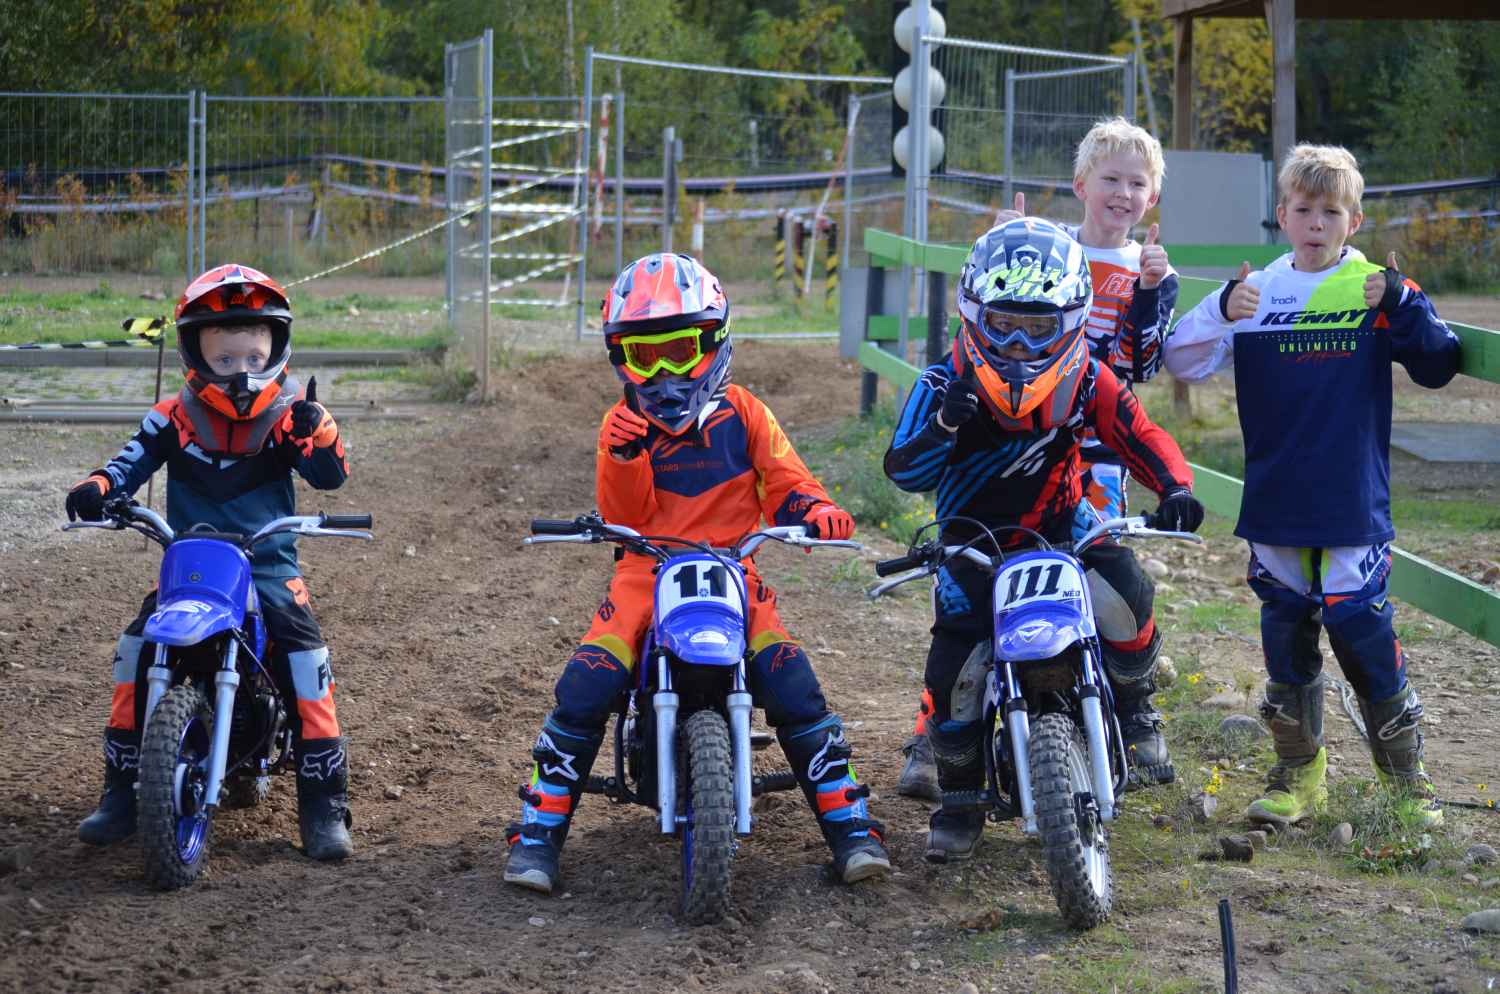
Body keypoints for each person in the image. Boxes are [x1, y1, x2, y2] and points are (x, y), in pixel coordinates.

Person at [502, 252, 890, 894]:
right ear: (619, 359)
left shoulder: (746, 414)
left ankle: (850, 828)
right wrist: (624, 456)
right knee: (584, 689)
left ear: (714, 344)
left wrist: (817, 510)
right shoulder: (620, 427)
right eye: (642, 356)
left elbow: (788, 482)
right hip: (644, 574)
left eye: (680, 350)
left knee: (794, 687)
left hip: (735, 572)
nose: (662, 374)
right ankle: (538, 834)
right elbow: (622, 515)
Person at [884, 218, 1203, 862]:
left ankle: (1137, 712)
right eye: (1003, 324)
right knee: (954, 672)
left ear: (1073, 317)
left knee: (1131, 594)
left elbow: (1138, 433)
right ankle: (961, 794)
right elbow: (903, 471)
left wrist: (1175, 488)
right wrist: (946, 425)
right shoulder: (941, 384)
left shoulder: (1087, 376)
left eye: (1037, 327)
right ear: (975, 316)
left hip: (1065, 524)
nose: (1020, 344)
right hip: (970, 542)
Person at [1164, 143, 1459, 829]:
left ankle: (1407, 783)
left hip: (1352, 495)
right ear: (1283, 216)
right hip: (1277, 498)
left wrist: (1407, 303)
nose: (1317, 223)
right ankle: (1300, 777)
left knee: (1359, 622)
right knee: (1285, 631)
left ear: (1353, 221)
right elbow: (1181, 357)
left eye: (1332, 211)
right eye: (1304, 210)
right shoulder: (1259, 291)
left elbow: (1440, 364)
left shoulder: (1376, 288)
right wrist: (1222, 309)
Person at [67, 263, 356, 860]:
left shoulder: (290, 415)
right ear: (195, 355)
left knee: (305, 656)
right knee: (135, 648)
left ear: (275, 347)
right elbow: (128, 462)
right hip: (193, 567)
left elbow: (329, 477)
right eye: (224, 359)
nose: (241, 370)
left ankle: (323, 804)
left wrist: (321, 431)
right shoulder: (173, 415)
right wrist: (97, 487)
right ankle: (122, 791)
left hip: (269, 565)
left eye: (253, 355)